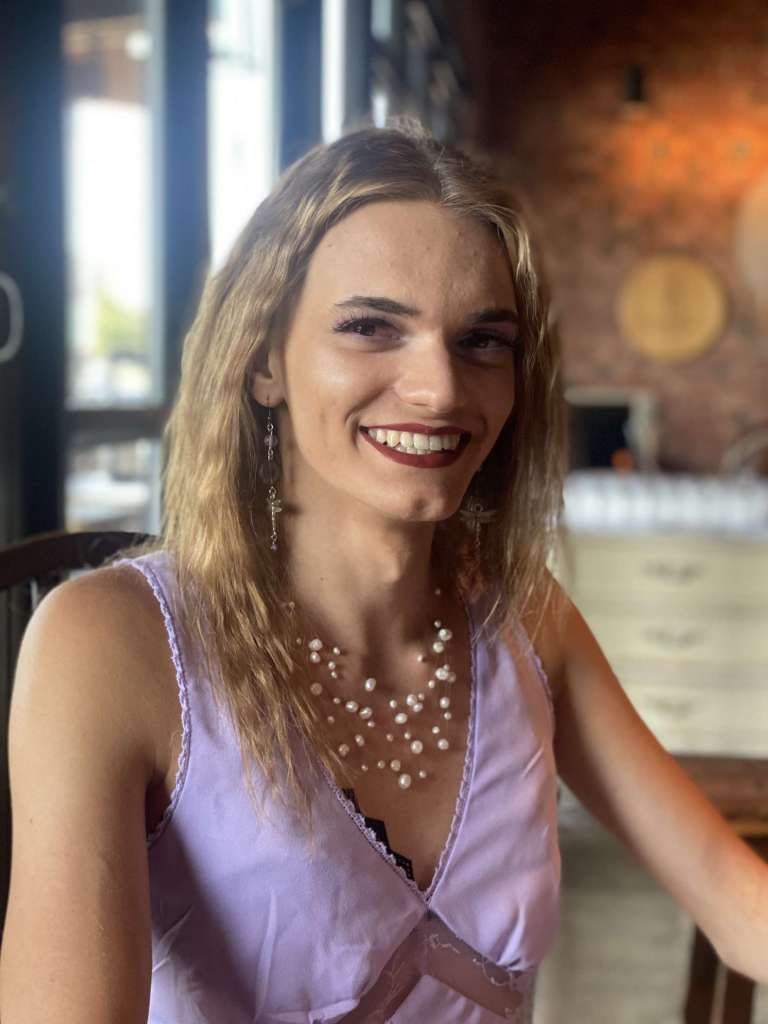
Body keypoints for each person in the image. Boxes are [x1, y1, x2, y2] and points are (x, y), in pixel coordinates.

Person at [1, 120, 766, 1023]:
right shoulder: (109, 641)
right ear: (263, 359)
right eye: (371, 328)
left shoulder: (523, 617)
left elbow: (735, 897)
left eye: (482, 341)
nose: (440, 388)